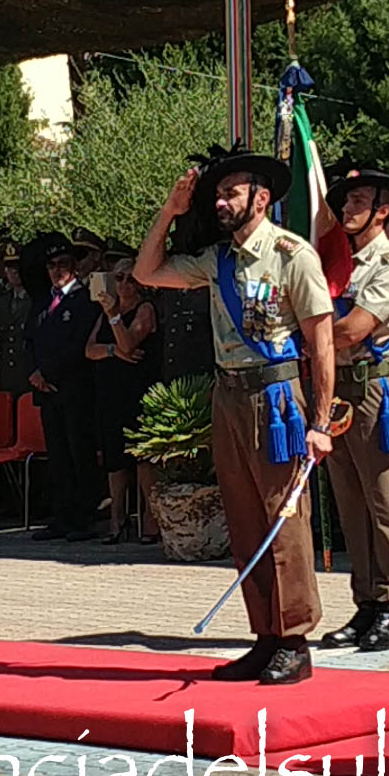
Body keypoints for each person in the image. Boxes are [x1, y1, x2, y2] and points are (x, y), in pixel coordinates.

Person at [135, 145, 336, 685]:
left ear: (261, 198)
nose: (221, 202)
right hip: (228, 396)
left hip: (276, 398)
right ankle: (264, 635)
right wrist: (170, 210)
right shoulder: (217, 260)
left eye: (232, 192)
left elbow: (321, 343)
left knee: (283, 519)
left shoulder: (292, 255)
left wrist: (320, 423)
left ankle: (294, 639)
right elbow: (147, 272)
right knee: (245, 522)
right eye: (218, 194)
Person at [315, 164, 389, 652]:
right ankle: (366, 602)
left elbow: (354, 329)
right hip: (339, 390)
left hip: (374, 387)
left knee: (381, 499)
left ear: (382, 210)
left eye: (359, 201)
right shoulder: (337, 260)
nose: (348, 209)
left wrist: (301, 339)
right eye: (345, 201)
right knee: (350, 503)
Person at [28, 235, 103, 542]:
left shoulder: (85, 300)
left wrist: (48, 372)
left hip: (75, 389)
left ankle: (84, 518)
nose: (57, 270)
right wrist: (34, 373)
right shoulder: (42, 302)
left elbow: (79, 345)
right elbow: (29, 340)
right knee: (57, 455)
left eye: (62, 264)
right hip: (47, 391)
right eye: (51, 265)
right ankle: (61, 516)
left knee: (79, 453)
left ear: (74, 267)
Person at [86, 259, 161, 545]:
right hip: (110, 392)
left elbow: (129, 343)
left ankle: (150, 521)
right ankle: (117, 520)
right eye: (119, 278)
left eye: (131, 279)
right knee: (114, 459)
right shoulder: (106, 311)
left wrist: (115, 317)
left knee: (142, 459)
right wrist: (112, 351)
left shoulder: (144, 309)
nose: (125, 284)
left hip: (138, 391)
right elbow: (89, 350)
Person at [0, 243, 32, 395]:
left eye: (18, 266)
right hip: (6, 375)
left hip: (28, 374)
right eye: (10, 267)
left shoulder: (35, 300)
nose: (14, 271)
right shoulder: (1, 302)